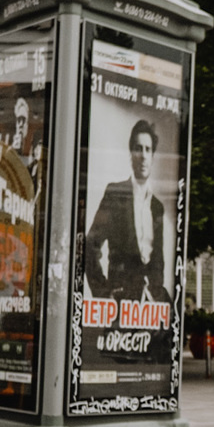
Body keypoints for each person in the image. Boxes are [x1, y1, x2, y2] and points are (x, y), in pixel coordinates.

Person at [84, 116, 171, 303]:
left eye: (148, 150)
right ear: (131, 154)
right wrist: (104, 293)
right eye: (138, 149)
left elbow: (158, 261)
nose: (143, 155)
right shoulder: (116, 194)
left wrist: (156, 293)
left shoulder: (157, 207)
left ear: (153, 157)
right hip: (121, 301)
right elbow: (90, 245)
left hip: (149, 308)